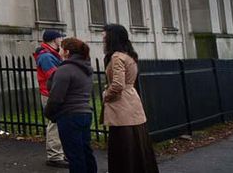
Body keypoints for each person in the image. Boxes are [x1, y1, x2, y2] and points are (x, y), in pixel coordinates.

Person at [103, 24, 159, 173]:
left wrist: (105, 95)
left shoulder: (116, 57)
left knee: (123, 147)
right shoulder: (129, 55)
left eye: (106, 34)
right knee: (137, 146)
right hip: (133, 103)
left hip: (121, 106)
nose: (103, 37)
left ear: (112, 37)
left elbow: (117, 85)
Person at [43, 37, 98, 173]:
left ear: (67, 52)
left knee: (74, 155)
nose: (59, 51)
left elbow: (56, 97)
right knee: (85, 151)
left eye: (61, 49)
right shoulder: (86, 68)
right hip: (85, 113)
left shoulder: (65, 69)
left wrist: (49, 113)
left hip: (69, 115)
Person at [33, 29, 67, 167]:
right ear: (54, 40)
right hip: (50, 94)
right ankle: (54, 156)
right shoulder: (46, 56)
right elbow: (54, 77)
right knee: (55, 124)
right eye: (60, 38)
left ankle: (59, 154)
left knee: (59, 124)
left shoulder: (52, 55)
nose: (62, 41)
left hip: (53, 93)